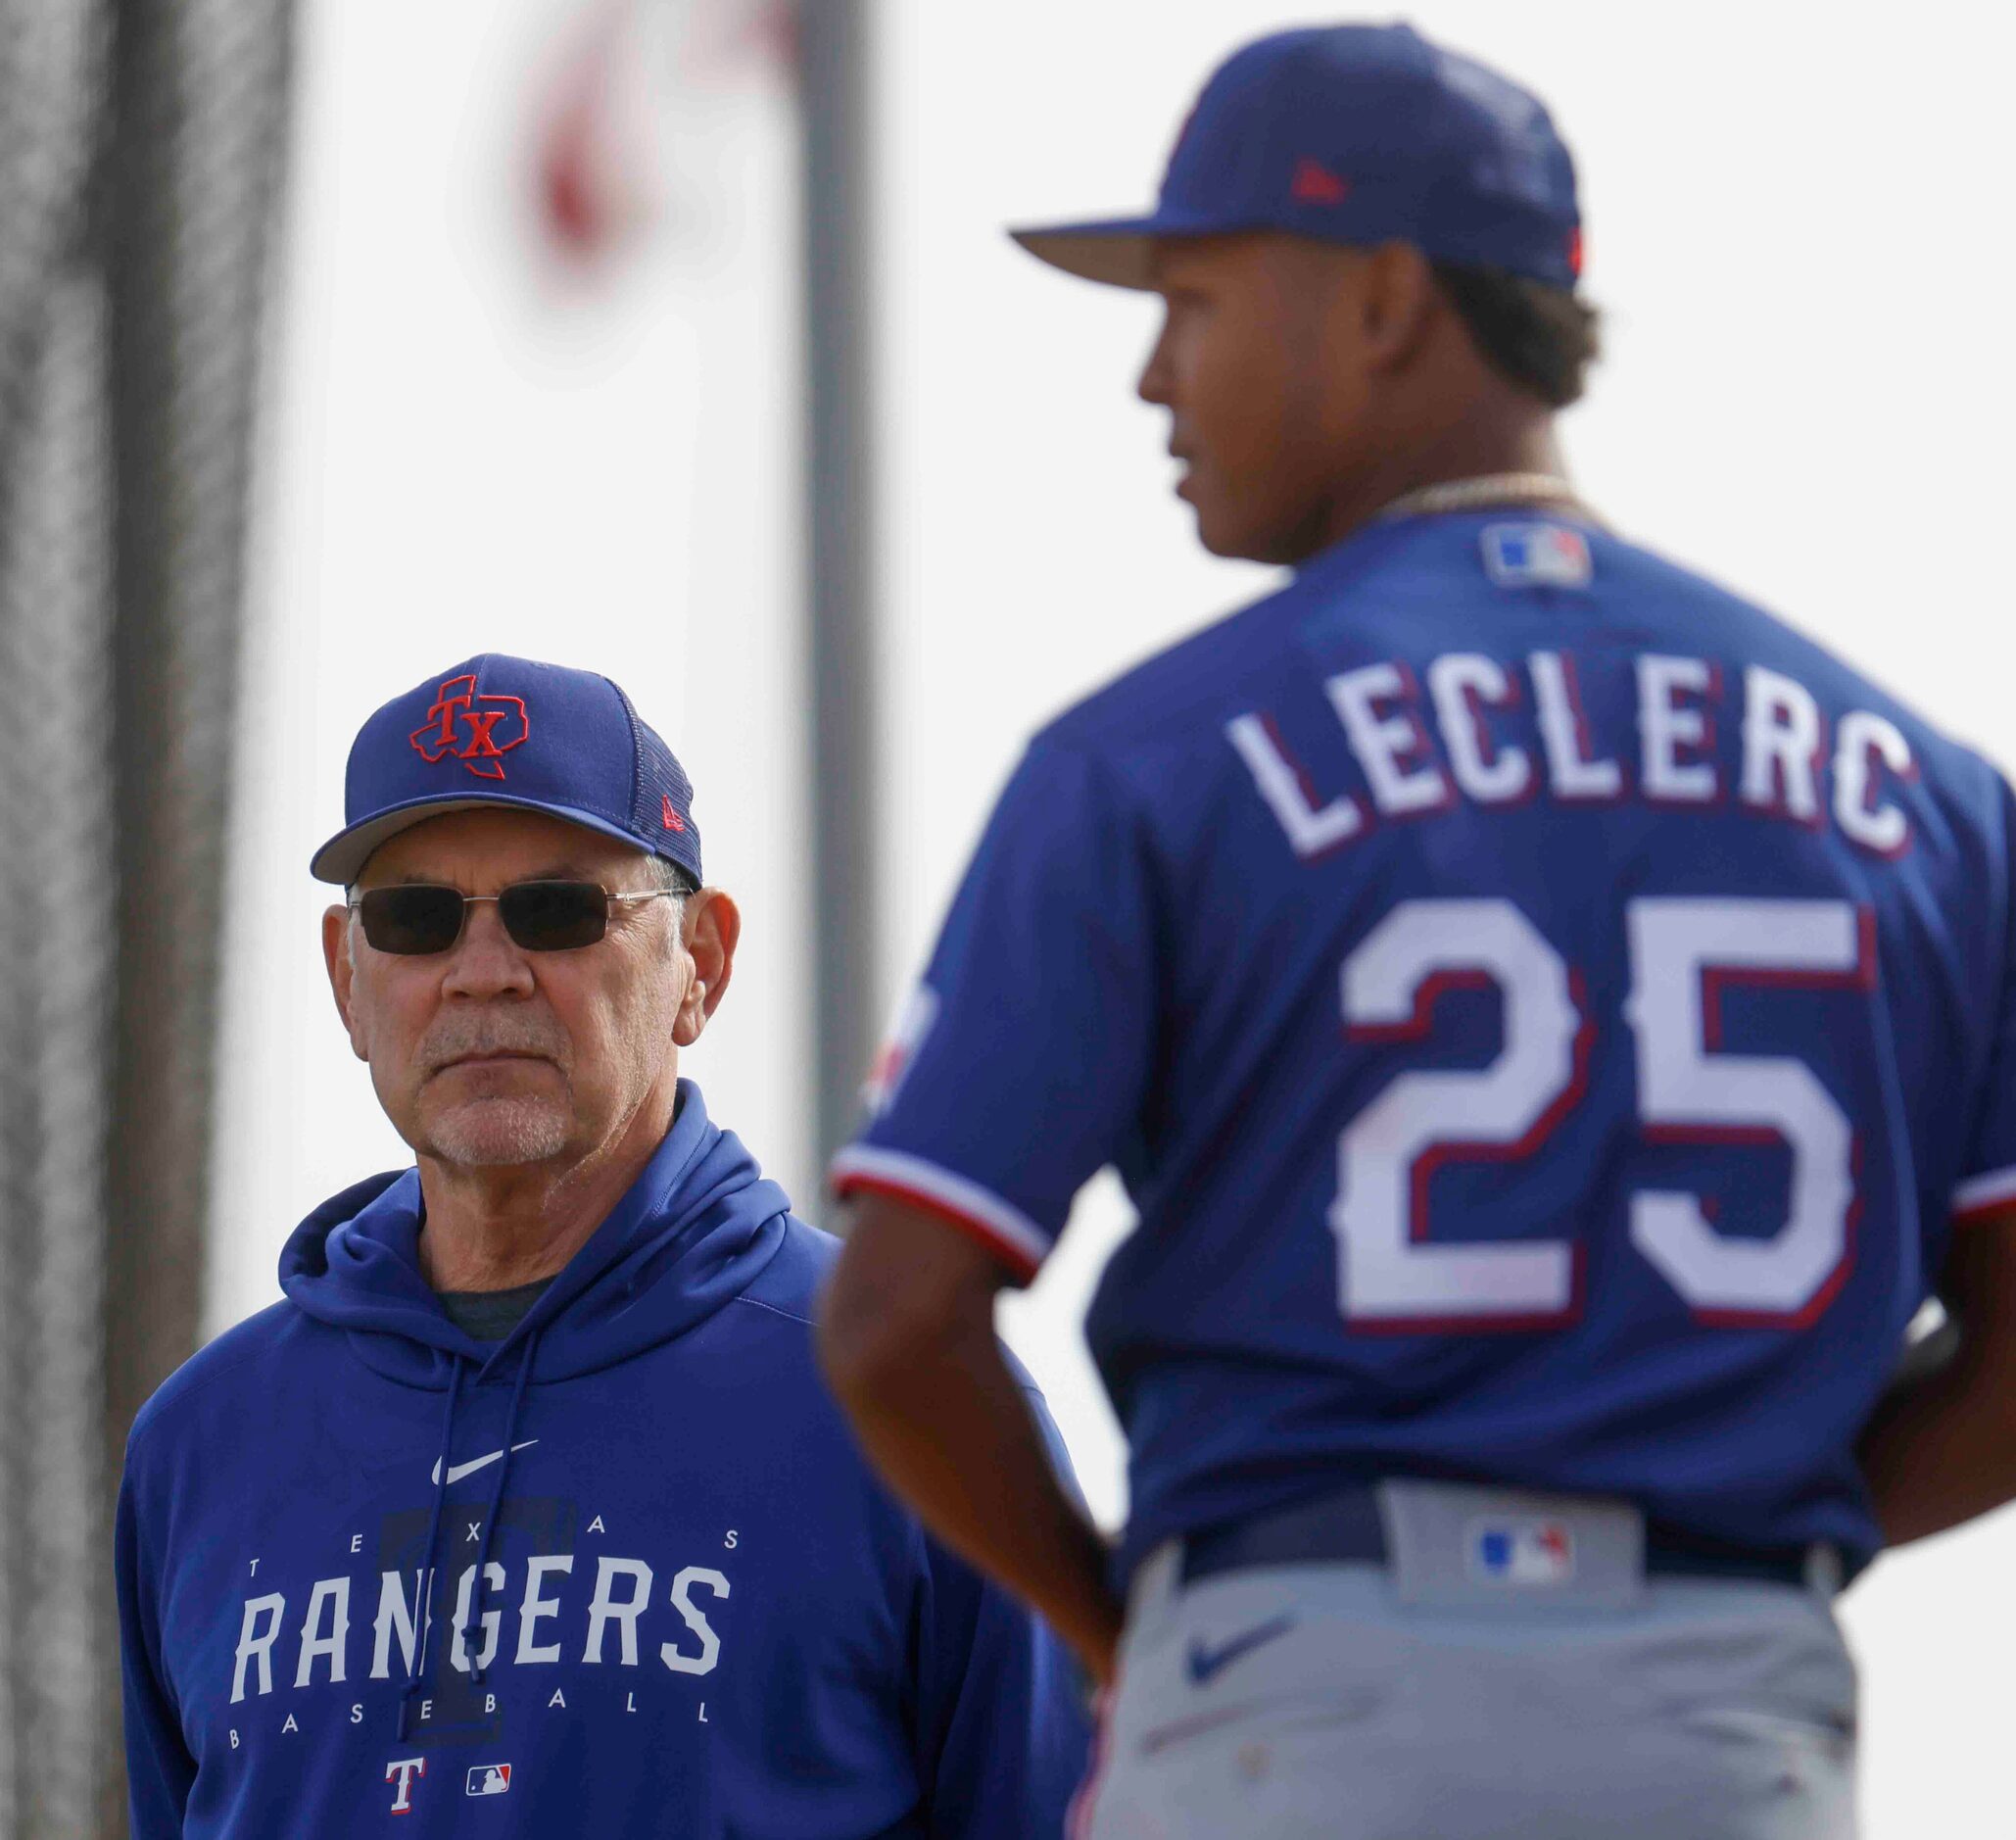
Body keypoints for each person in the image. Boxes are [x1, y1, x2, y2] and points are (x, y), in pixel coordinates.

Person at [816, 23, 2016, 1838]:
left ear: (1382, 297)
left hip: (1296, 1706)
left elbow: (894, 1321)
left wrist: (1117, 1621)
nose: (1154, 372)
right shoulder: (1918, 787)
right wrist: (1740, 1504)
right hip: (1722, 1723)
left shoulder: (1152, 751)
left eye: (1195, 296)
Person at [116, 654, 1088, 1836]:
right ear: (347, 979)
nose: (483, 974)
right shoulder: (200, 1443)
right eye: (415, 919)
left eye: (559, 910)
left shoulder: (899, 1392)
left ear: (703, 964)